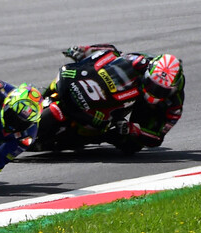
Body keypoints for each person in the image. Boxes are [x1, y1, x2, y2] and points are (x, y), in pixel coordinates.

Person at [41, 44, 184, 153]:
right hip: (130, 90)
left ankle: (100, 136)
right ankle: (43, 96)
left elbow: (157, 138)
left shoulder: (175, 106)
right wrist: (85, 51)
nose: (155, 92)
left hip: (145, 110)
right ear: (148, 74)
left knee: (131, 145)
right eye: (152, 85)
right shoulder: (140, 62)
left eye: (161, 90)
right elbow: (113, 54)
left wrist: (133, 130)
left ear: (173, 89)